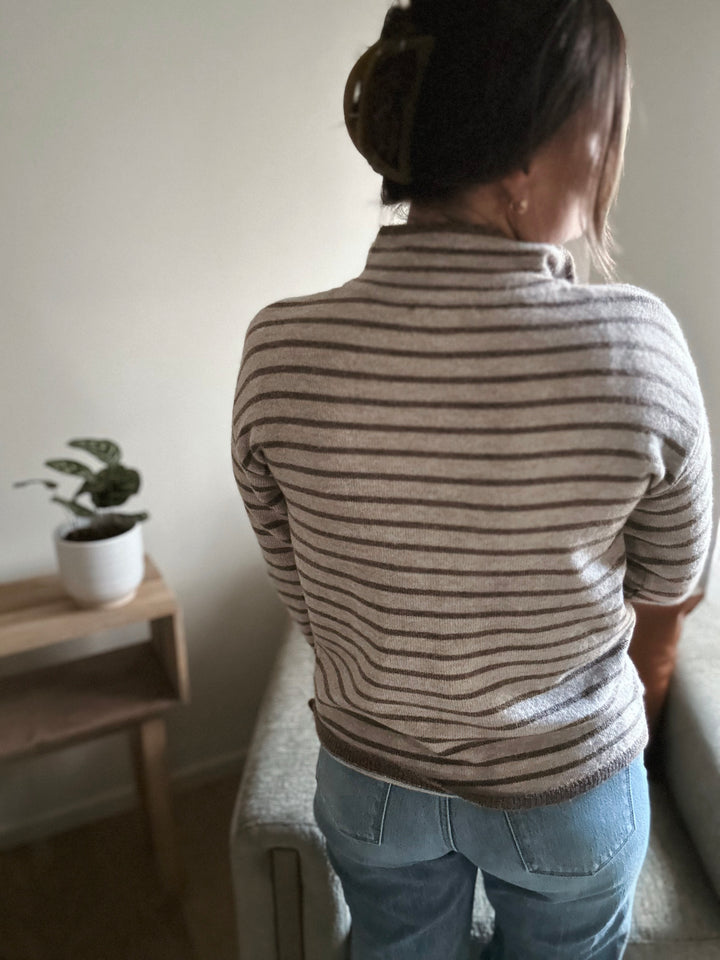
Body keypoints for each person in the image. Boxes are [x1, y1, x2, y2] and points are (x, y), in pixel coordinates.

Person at [231, 1, 714, 957]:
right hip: (568, 792)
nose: (612, 159)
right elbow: (671, 587)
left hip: (371, 784)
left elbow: (305, 584)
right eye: (604, 129)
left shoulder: (280, 348)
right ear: (526, 159)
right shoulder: (636, 346)